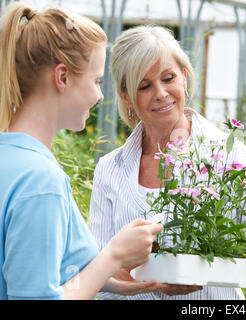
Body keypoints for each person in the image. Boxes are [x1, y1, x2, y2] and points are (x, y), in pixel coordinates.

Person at [89, 24, 246, 300]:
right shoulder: (111, 169)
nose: (160, 93)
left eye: (168, 78)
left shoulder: (232, 157)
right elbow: (97, 274)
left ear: (184, 78)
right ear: (126, 97)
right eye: (145, 86)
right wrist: (151, 281)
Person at [0, 3, 164, 300]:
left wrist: (112, 280)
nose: (100, 95)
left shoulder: (10, 158)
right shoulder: (40, 181)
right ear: (62, 78)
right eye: (97, 80)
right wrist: (113, 256)